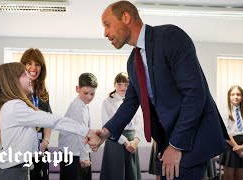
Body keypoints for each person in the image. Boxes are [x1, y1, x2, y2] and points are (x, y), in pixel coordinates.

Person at [91, 1, 228, 180]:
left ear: (125, 17)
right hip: (168, 140)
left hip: (191, 136)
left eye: (107, 25)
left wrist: (176, 145)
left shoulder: (170, 37)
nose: (105, 33)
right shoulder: (133, 61)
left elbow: (195, 94)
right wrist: (106, 132)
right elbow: (131, 102)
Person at [0, 62, 100, 180]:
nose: (29, 76)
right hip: (13, 173)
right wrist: (87, 132)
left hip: (17, 170)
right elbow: (53, 121)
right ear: (12, 81)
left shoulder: (13, 106)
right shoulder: (14, 106)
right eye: (24, 74)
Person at [100, 72, 143, 180]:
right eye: (119, 84)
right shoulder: (108, 101)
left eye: (126, 84)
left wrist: (136, 140)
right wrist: (125, 141)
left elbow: (139, 123)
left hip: (132, 142)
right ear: (114, 84)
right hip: (115, 140)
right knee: (115, 174)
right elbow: (107, 126)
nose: (123, 87)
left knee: (131, 175)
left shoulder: (135, 100)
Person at [58, 73, 98, 180]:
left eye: (92, 94)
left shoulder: (81, 104)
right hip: (75, 156)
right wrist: (84, 157)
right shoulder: (78, 108)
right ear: (77, 89)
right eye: (85, 93)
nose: (89, 97)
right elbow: (82, 134)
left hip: (74, 153)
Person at [20, 48, 51, 180]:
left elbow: (48, 119)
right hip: (21, 148)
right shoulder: (16, 90)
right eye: (29, 63)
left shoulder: (42, 91)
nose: (33, 67)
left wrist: (45, 141)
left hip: (40, 148)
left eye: (37, 64)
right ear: (23, 66)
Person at [219, 85, 243, 180]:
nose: (236, 97)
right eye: (233, 94)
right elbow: (226, 133)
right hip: (230, 146)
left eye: (238, 94)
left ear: (242, 97)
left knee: (239, 177)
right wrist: (238, 149)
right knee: (228, 177)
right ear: (229, 96)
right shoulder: (225, 112)